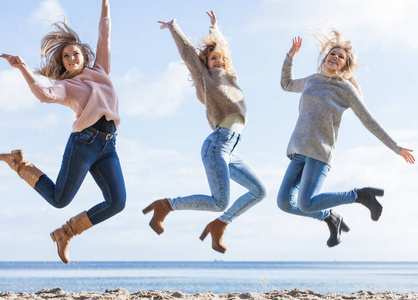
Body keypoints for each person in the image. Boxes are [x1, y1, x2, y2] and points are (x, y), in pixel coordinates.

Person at [0, 0, 126, 264]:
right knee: (59, 200)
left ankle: (66, 233)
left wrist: (105, 5)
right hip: (84, 143)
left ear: (85, 56)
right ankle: (19, 164)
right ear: (63, 62)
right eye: (66, 56)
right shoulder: (67, 86)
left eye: (75, 54)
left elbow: (105, 35)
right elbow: (45, 95)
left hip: (109, 146)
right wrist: (23, 67)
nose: (70, 59)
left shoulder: (100, 70)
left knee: (117, 202)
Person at [143, 11, 267, 254]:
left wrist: (215, 28)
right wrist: (173, 28)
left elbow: (221, 48)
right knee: (219, 200)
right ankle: (166, 205)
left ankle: (219, 224)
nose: (217, 61)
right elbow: (190, 54)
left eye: (220, 58)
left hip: (231, 148)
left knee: (259, 191)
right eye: (212, 59)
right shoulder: (206, 78)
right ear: (206, 63)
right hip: (217, 144)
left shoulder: (231, 77)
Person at [277, 31, 415, 247]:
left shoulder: (346, 89)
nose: (335, 57)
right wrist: (290, 57)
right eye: (332, 53)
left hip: (320, 154)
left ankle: (360, 195)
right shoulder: (312, 80)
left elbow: (369, 121)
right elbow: (286, 84)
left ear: (345, 65)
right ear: (325, 58)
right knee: (284, 203)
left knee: (305, 203)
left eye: (340, 57)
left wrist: (396, 148)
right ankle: (330, 217)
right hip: (298, 150)